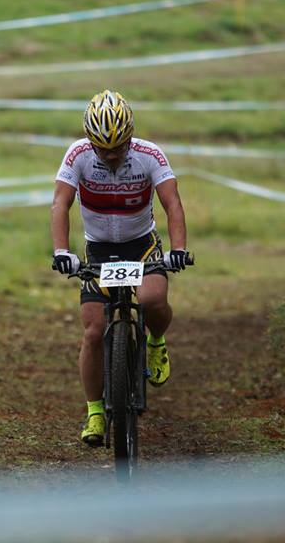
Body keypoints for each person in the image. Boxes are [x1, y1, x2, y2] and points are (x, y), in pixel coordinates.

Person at [50, 89, 190, 447]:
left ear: (130, 137)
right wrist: (62, 251)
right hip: (98, 250)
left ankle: (155, 341)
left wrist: (178, 250)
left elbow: (172, 204)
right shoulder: (78, 154)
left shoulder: (150, 155)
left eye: (118, 147)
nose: (111, 155)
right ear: (90, 141)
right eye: (103, 148)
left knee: (153, 300)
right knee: (93, 332)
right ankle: (96, 412)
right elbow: (60, 204)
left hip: (141, 246)